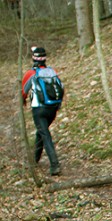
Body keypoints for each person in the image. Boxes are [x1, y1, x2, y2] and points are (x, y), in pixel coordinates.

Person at [21, 46, 62, 176]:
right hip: (53, 108)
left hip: (39, 109)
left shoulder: (31, 74)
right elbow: (61, 88)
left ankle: (55, 165)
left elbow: (23, 92)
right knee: (41, 132)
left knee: (45, 134)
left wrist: (23, 101)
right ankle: (34, 160)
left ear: (34, 58)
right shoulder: (52, 72)